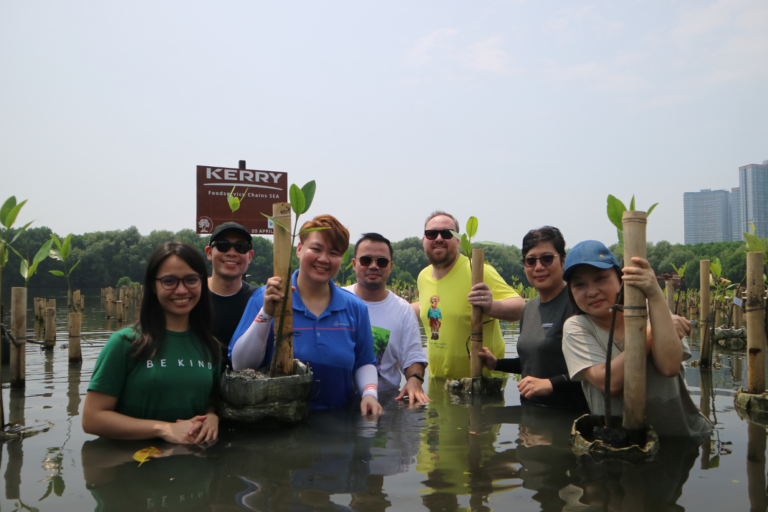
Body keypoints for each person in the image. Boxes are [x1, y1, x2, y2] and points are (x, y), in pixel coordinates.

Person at [229, 214, 383, 415]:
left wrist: (369, 394)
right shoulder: (266, 298)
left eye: (334, 253)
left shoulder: (355, 307)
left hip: (339, 420)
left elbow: (364, 362)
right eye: (316, 249)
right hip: (276, 422)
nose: (324, 259)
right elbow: (240, 365)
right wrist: (266, 313)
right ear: (299, 249)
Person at [560, 240, 712, 437]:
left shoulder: (652, 311)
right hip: (621, 444)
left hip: (682, 436)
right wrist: (650, 333)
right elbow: (608, 383)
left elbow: (669, 367)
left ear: (620, 279)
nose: (592, 291)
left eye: (600, 278)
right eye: (579, 284)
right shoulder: (577, 327)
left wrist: (655, 294)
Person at [83, 242, 222, 444]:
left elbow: (210, 402)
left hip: (192, 459)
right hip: (131, 460)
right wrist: (164, 429)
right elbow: (92, 419)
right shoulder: (124, 343)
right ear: (153, 286)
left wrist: (212, 417)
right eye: (169, 281)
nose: (181, 290)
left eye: (191, 280)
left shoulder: (211, 346)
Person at [478, 226, 588, 410]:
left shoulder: (577, 303)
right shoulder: (528, 308)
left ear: (563, 260)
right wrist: (496, 363)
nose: (538, 267)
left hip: (569, 415)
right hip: (530, 413)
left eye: (547, 258)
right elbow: (533, 363)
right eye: (531, 261)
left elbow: (595, 371)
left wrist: (551, 384)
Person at [414, 211, 525, 379]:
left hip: (481, 382)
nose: (438, 238)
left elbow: (521, 308)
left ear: (458, 240)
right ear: (424, 240)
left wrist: (490, 307)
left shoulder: (477, 271)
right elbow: (428, 306)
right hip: (438, 380)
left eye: (447, 233)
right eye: (431, 234)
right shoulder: (423, 276)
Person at [344, 233, 430, 404]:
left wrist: (414, 379)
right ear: (354, 264)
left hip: (386, 400)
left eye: (381, 262)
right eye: (366, 260)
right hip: (341, 399)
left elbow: (413, 357)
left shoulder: (402, 310)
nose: (373, 266)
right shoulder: (338, 300)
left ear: (390, 266)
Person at [204, 222, 257, 356]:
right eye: (223, 246)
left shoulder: (258, 301)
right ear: (209, 253)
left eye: (240, 247)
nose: (232, 253)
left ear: (250, 256)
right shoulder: (192, 294)